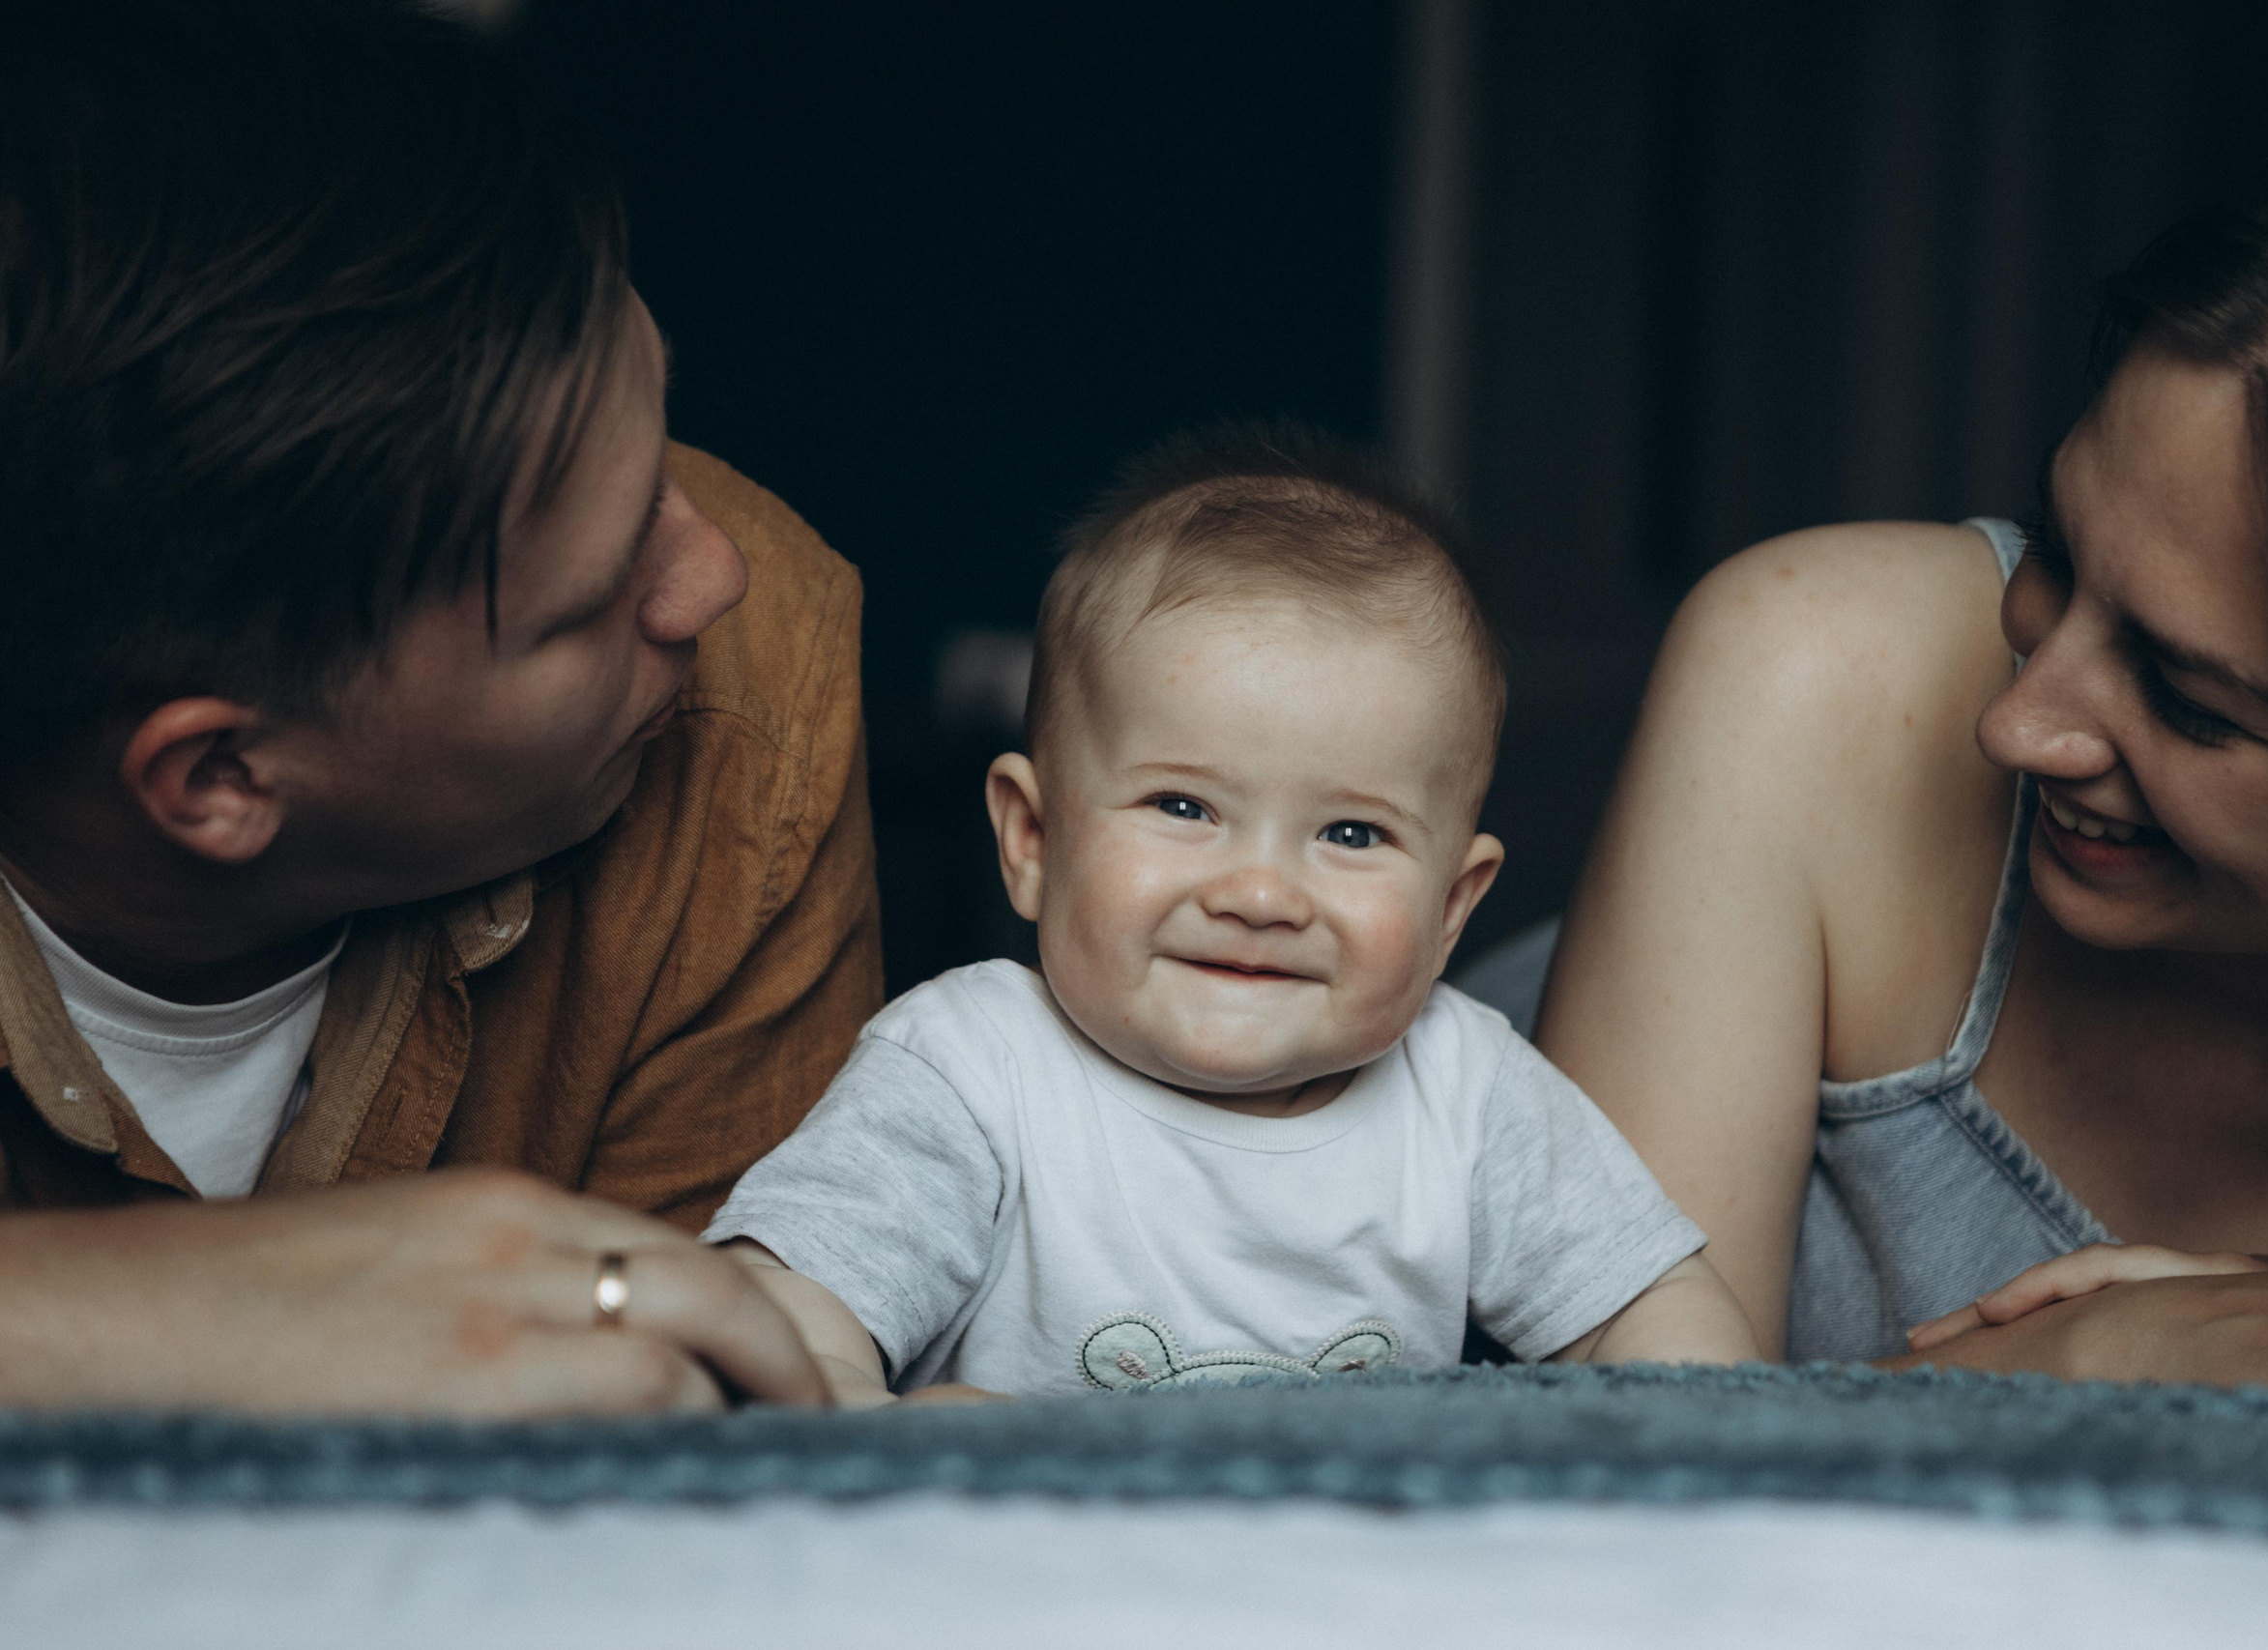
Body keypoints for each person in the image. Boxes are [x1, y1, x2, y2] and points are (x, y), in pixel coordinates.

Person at [0, 1, 880, 1413]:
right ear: (220, 775)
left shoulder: (748, 682)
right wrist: (203, 1311)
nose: (707, 575)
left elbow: (727, 1474)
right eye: (589, 602)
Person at [1535, 111, 2268, 1401]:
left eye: (2191, 697)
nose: (2015, 722)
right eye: (2056, 548)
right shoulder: (1819, 669)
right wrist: (2095, 1348)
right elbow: (1586, 1477)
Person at [708, 429, 1755, 1401]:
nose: (1257, 896)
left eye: (1350, 834)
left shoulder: (1468, 1095)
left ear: (1449, 911)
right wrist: (858, 1423)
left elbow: (1654, 1315)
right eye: (1182, 807)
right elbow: (785, 1311)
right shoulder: (972, 1068)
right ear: (1032, 841)